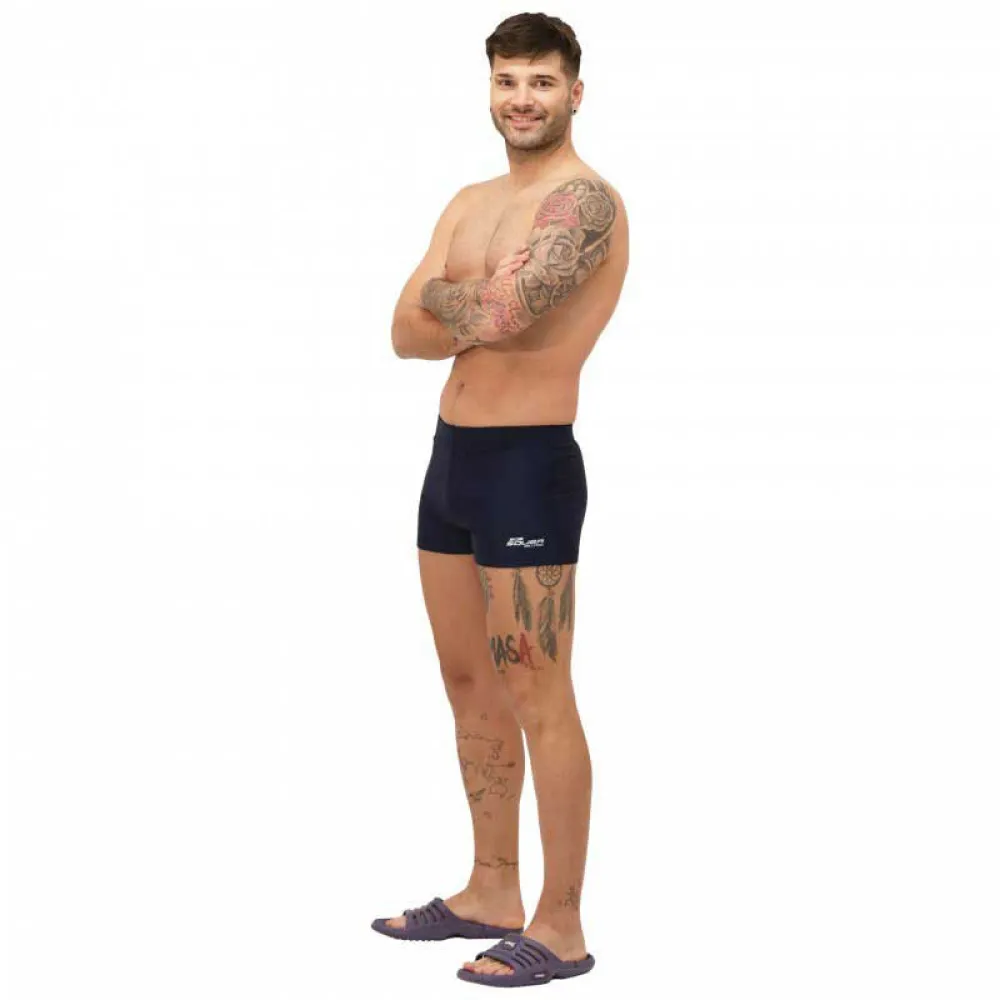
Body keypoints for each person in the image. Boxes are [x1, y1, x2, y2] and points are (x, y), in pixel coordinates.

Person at [372, 12, 629, 988]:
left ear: (575, 93)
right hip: (451, 463)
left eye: (542, 82)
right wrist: (465, 306)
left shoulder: (585, 204)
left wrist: (457, 299)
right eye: (508, 81)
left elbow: (504, 311)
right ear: (490, 89)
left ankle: (559, 925)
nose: (523, 99)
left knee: (537, 693)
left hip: (527, 465)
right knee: (467, 683)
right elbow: (403, 332)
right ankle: (490, 889)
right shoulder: (472, 200)